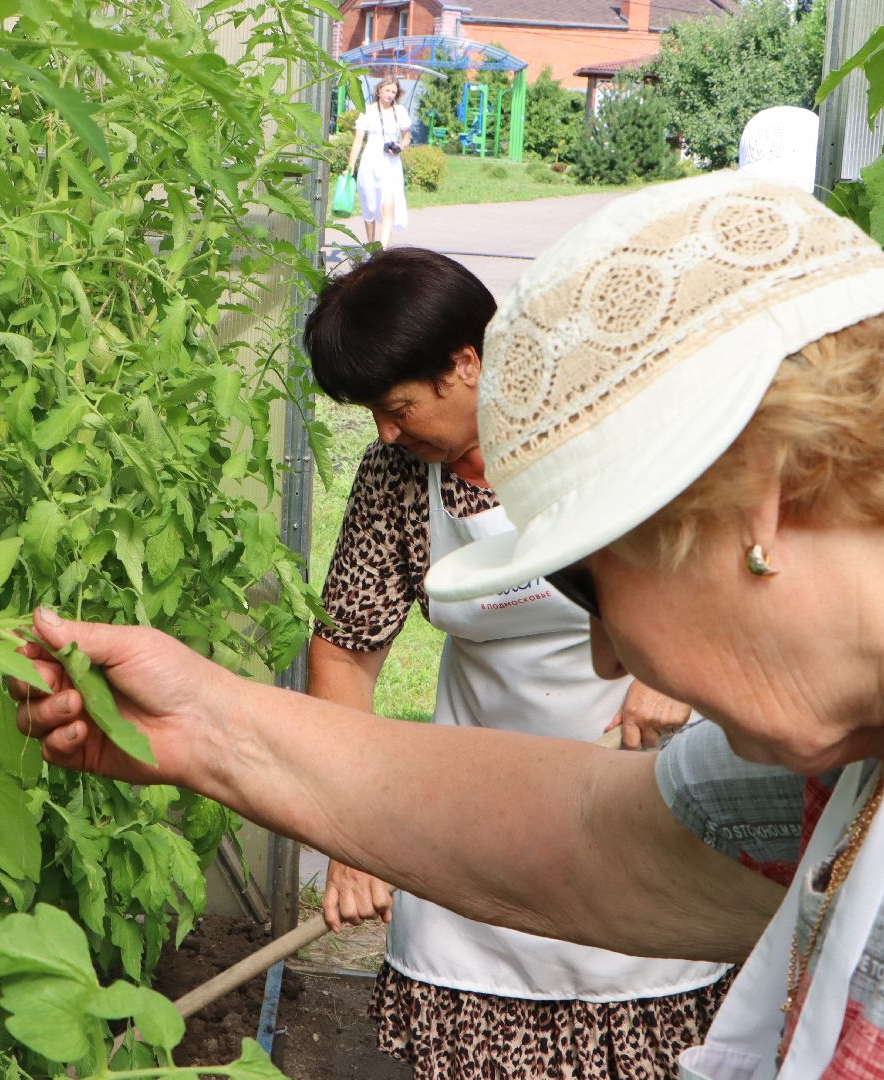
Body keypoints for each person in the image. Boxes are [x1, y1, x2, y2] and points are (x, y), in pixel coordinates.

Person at [12, 172, 884, 1077]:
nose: (602, 653)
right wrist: (209, 726)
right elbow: (603, 840)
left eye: (592, 584)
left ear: (757, 497)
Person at [303, 246, 728, 1079]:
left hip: (635, 795)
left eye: (397, 406)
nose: (388, 433)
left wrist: (674, 669)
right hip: (479, 818)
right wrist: (350, 831)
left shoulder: (605, 434)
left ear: (468, 363)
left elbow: (728, 566)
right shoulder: (398, 479)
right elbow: (346, 655)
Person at [346, 76, 411, 244]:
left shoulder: (400, 111)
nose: (390, 94)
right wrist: (350, 165)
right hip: (371, 160)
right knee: (370, 207)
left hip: (390, 163)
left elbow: (406, 137)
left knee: (387, 208)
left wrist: (400, 146)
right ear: (379, 90)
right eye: (387, 90)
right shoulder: (368, 111)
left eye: (394, 92)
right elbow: (358, 140)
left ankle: (382, 251)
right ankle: (371, 245)